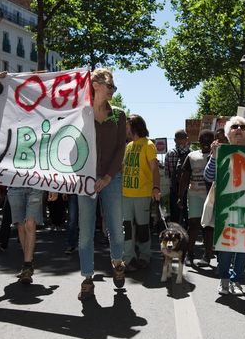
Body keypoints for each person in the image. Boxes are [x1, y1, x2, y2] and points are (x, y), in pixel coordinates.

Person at [77, 68, 126, 300]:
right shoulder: (79, 113)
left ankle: (117, 262)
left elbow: (120, 149)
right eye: (110, 87)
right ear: (95, 85)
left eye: (114, 88)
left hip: (111, 178)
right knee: (85, 232)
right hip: (84, 180)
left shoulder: (118, 115)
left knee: (115, 227)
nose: (112, 91)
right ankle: (87, 278)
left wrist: (107, 177)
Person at [204, 116, 245, 296]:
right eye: (234, 127)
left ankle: (237, 280)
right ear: (228, 133)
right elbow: (209, 176)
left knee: (243, 246)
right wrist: (215, 157)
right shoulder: (221, 151)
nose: (238, 129)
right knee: (225, 246)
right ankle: (224, 280)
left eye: (242, 127)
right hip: (225, 206)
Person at [122, 114, 161, 271]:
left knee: (143, 227)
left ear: (134, 126)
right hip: (125, 194)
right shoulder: (128, 146)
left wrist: (156, 187)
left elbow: (154, 169)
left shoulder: (148, 144)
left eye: (126, 126)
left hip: (142, 194)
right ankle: (128, 258)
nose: (125, 129)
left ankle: (145, 255)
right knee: (127, 228)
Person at [177, 130, 214, 266]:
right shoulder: (192, 156)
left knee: (208, 226)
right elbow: (184, 177)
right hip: (194, 196)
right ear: (198, 140)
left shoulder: (217, 155)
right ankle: (189, 253)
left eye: (209, 139)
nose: (206, 142)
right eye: (203, 139)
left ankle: (207, 255)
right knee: (193, 224)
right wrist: (180, 196)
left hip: (211, 197)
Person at [8, 186, 55, 284]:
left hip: (35, 186)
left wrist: (52, 187)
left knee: (30, 224)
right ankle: (28, 262)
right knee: (21, 225)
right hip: (15, 186)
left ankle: (27, 266)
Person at [164, 129, 190, 227]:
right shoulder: (191, 153)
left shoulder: (170, 153)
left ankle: (175, 233)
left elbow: (167, 173)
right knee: (188, 212)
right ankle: (189, 233)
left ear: (175, 140)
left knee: (175, 213)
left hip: (174, 187)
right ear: (187, 139)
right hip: (188, 187)